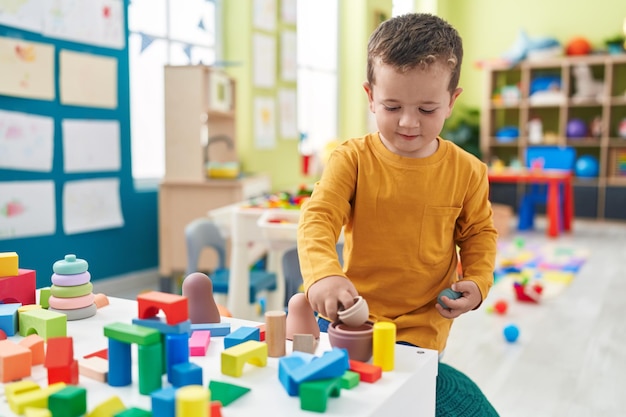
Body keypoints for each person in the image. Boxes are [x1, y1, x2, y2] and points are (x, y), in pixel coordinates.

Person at [296, 12, 497, 354]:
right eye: (392, 106)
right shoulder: (351, 160)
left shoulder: (468, 171)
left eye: (427, 109)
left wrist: (478, 283)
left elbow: (479, 233)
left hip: (423, 326)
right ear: (370, 96)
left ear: (451, 101)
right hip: (352, 313)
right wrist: (324, 274)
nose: (408, 122)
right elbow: (318, 218)